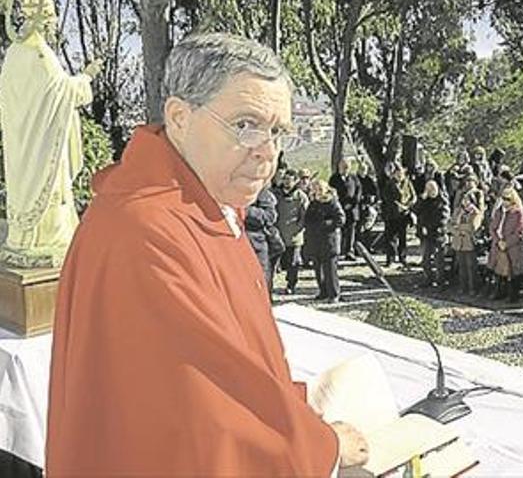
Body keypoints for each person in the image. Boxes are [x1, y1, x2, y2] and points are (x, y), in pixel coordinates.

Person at [47, 33, 367, 476]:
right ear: (179, 117)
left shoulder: (208, 208)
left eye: (277, 132)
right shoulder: (146, 232)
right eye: (245, 125)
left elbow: (233, 365)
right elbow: (207, 414)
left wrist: (293, 406)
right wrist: (324, 449)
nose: (267, 152)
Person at [0, 0, 103, 268]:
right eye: (52, 18)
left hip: (22, 146)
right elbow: (64, 92)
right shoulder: (41, 56)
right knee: (49, 201)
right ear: (43, 19)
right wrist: (87, 76)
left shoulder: (13, 55)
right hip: (42, 148)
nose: (55, 24)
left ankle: (23, 238)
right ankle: (46, 239)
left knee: (25, 189)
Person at [304, 179, 346, 303]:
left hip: (329, 241)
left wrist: (325, 224)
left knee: (330, 270)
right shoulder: (313, 203)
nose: (317, 191)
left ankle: (334, 293)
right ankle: (323, 291)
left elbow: (340, 219)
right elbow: (308, 219)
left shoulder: (332, 202)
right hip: (315, 241)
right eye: (315, 189)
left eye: (320, 189)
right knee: (318, 269)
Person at [487, 187, 523, 301]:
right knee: (499, 270)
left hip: (513, 247)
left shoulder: (518, 213)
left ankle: (513, 295)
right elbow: (492, 228)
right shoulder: (499, 211)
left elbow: (520, 232)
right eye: (503, 198)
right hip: (498, 244)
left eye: (507, 199)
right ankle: (499, 292)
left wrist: (507, 243)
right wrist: (498, 240)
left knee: (513, 272)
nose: (505, 201)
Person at [274, 168, 310, 294]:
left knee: (293, 263)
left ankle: (291, 285)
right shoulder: (276, 194)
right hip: (278, 234)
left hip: (295, 236)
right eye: (285, 179)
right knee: (274, 262)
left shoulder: (301, 197)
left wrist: (298, 228)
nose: (286, 182)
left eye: (289, 180)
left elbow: (305, 216)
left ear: (295, 181)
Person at [245, 185, 284, 289]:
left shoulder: (261, 193)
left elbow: (270, 216)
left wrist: (245, 210)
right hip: (231, 245)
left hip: (256, 243)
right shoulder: (225, 192)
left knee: (260, 282)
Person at [413, 181, 450, 287]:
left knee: (439, 259)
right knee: (426, 259)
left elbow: (444, 218)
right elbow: (415, 210)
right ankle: (428, 278)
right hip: (425, 234)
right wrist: (421, 199)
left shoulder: (442, 200)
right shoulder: (424, 200)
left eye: (433, 188)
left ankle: (440, 280)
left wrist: (431, 227)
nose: (431, 191)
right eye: (428, 189)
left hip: (437, 234)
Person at [450, 190, 483, 295]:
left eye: (468, 200)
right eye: (464, 200)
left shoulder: (476, 212)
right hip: (458, 242)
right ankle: (463, 287)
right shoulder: (457, 211)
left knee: (471, 266)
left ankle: (473, 287)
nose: (465, 202)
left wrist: (459, 227)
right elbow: (450, 225)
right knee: (461, 266)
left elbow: (473, 227)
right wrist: (457, 230)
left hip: (469, 242)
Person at [382, 163, 416, 266]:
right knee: (391, 238)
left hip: (404, 214)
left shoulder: (407, 183)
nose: (400, 175)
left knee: (403, 237)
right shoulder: (389, 184)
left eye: (401, 173)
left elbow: (413, 196)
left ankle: (403, 258)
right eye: (397, 174)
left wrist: (408, 205)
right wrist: (398, 205)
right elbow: (387, 198)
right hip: (392, 214)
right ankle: (390, 259)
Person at [329, 157, 362, 260]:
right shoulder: (334, 178)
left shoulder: (354, 178)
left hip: (352, 210)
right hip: (339, 209)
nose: (345, 168)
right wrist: (340, 205)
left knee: (351, 232)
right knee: (339, 231)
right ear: (339, 166)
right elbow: (331, 193)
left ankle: (349, 251)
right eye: (343, 166)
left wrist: (352, 203)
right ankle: (339, 251)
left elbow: (358, 191)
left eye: (347, 166)